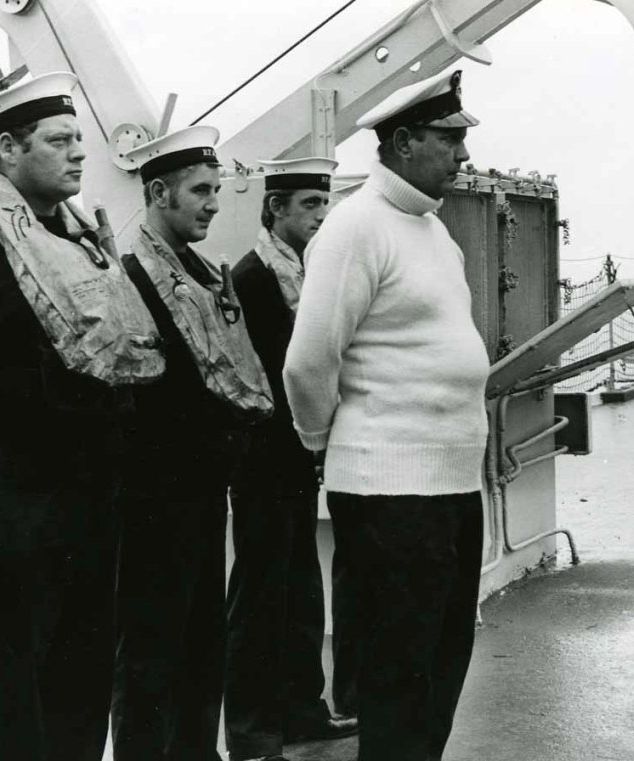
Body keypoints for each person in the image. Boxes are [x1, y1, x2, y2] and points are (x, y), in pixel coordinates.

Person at [0, 72, 164, 760]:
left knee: (79, 687)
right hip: (8, 518)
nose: (78, 154)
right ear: (8, 148)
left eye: (78, 140)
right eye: (59, 140)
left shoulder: (84, 243)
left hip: (89, 508)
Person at [283, 69, 489, 761]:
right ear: (402, 142)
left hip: (451, 488)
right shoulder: (355, 227)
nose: (463, 155)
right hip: (391, 492)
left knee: (441, 667)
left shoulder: (433, 230)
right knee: (398, 678)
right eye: (449, 139)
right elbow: (308, 362)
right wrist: (325, 442)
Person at [112, 125, 272, 760]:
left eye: (217, 190)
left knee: (202, 645)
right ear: (158, 192)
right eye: (200, 191)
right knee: (150, 654)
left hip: (202, 494)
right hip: (151, 501)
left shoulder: (203, 276)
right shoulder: (130, 276)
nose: (213, 203)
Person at [225, 156, 358, 761]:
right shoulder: (251, 278)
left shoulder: (306, 271)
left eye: (324, 204)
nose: (320, 215)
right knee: (260, 592)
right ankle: (253, 729)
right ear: (275, 208)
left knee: (300, 589)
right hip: (263, 459)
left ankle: (302, 712)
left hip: (298, 457)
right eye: (308, 204)